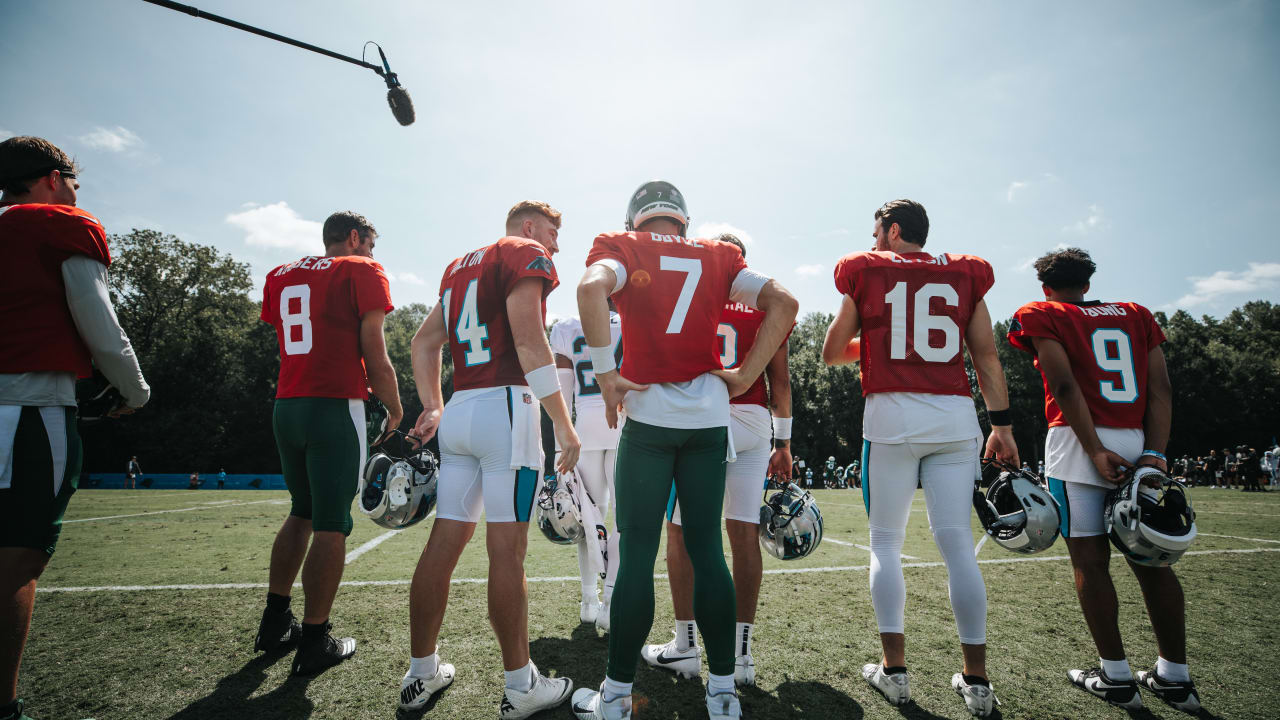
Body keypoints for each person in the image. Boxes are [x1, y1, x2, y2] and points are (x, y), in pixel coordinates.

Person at [570, 181, 797, 720]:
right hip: (708, 420)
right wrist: (745, 374)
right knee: (709, 551)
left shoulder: (624, 247)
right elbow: (784, 303)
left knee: (637, 557)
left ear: (635, 220)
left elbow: (588, 291)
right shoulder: (719, 256)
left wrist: (606, 375)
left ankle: (618, 695)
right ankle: (722, 694)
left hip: (649, 418)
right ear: (683, 221)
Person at [821, 199, 1017, 718]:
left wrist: (882, 341)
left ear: (893, 230)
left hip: (891, 417)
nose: (872, 241)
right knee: (957, 545)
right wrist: (1002, 424)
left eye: (876, 231)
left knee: (886, 540)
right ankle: (977, 682)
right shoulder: (964, 274)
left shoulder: (866, 271)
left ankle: (895, 672)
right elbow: (986, 356)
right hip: (954, 418)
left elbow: (831, 349)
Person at [402, 201, 581, 717]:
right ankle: (521, 684)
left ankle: (421, 673)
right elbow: (529, 340)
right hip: (508, 411)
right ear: (529, 227)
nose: (555, 243)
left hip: (460, 411)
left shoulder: (460, 266)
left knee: (443, 543)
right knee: (508, 553)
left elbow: (423, 342)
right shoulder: (524, 252)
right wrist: (563, 425)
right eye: (552, 231)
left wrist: (434, 404)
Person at [1008, 247, 1199, 712]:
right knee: (1153, 560)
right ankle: (1175, 675)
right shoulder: (1136, 314)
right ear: (1088, 284)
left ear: (1045, 286)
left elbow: (1066, 386)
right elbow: (1160, 390)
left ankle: (1115, 675)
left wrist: (1093, 449)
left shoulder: (1040, 312)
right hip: (1136, 441)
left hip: (1077, 444)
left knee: (1089, 561)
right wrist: (1154, 452)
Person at [0, 136, 150, 720]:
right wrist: (135, 391)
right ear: (53, 177)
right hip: (28, 408)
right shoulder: (62, 224)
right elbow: (99, 322)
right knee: (17, 561)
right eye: (73, 181)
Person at [643, 233, 794, 689]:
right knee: (743, 534)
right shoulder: (766, 304)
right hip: (754, 420)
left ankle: (686, 645)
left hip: (707, 418)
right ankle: (742, 656)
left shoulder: (694, 297)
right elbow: (781, 384)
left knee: (681, 532)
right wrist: (783, 444)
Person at [255, 210, 402, 677]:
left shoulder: (280, 275)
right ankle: (315, 640)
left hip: (287, 404)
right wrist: (396, 408)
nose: (373, 256)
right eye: (371, 246)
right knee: (332, 523)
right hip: (335, 405)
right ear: (355, 239)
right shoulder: (362, 270)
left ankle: (275, 621)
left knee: (301, 510)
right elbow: (375, 354)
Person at [548, 306, 623, 631]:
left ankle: (588, 600)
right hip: (626, 424)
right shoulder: (634, 316)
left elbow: (562, 391)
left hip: (584, 429)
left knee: (587, 521)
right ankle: (609, 601)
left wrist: (558, 445)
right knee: (623, 522)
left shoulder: (567, 325)